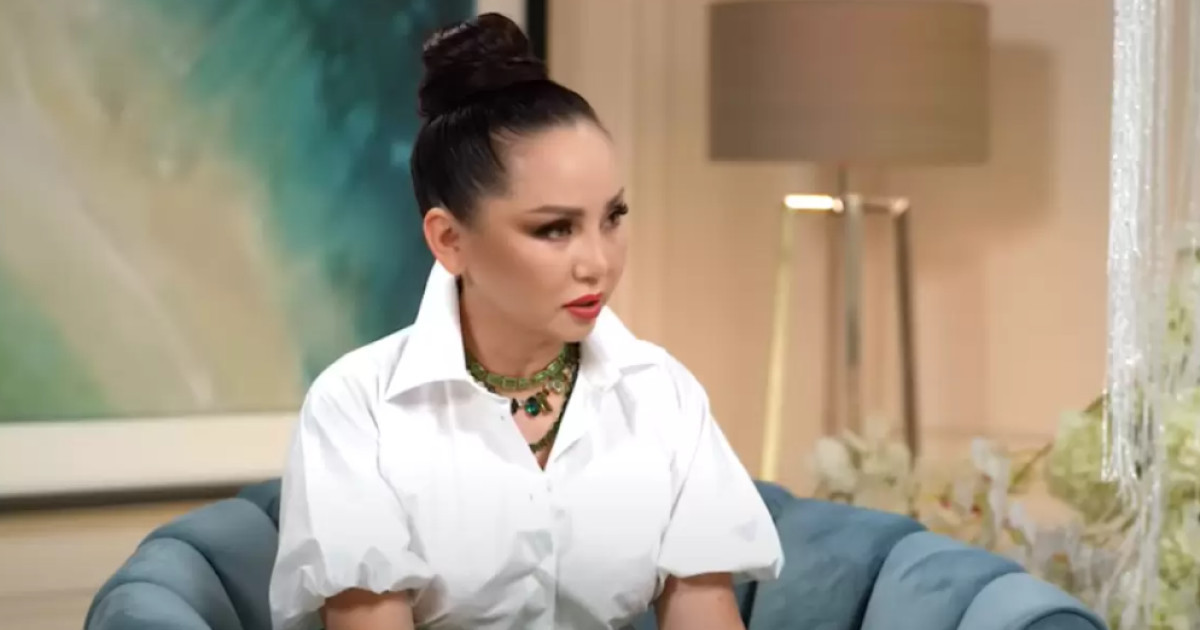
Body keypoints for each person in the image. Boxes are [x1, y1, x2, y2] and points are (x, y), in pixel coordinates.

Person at [268, 12, 783, 630]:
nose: (598, 262)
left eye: (613, 218)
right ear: (449, 239)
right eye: (555, 229)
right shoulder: (357, 410)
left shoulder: (663, 396)